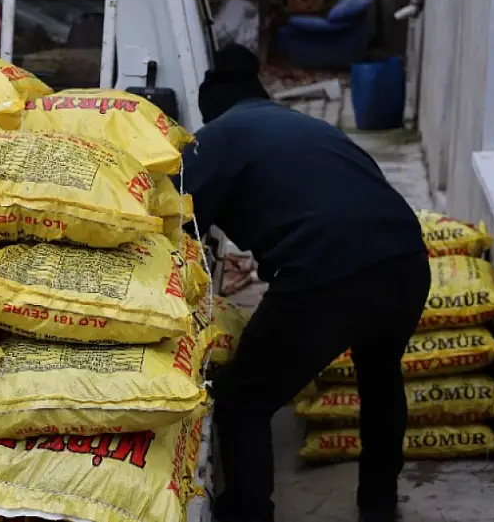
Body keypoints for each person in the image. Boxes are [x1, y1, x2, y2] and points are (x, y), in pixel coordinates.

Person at [179, 44, 429, 522]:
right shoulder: (309, 127)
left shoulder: (216, 138)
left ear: (213, 108)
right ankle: (378, 505)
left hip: (326, 273)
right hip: (406, 259)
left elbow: (176, 218)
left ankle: (248, 514)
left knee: (243, 402)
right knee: (380, 376)